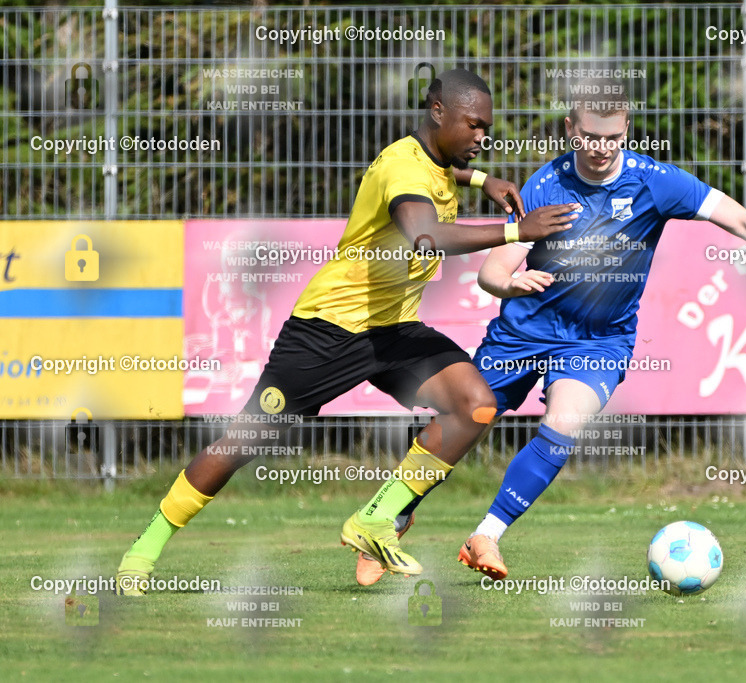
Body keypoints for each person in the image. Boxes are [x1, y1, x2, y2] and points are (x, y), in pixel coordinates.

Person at [115, 68, 580, 594]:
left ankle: (375, 519)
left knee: (475, 404)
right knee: (243, 441)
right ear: (437, 113)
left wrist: (480, 180)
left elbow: (436, 177)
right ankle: (142, 552)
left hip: (391, 331)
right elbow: (425, 235)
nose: (483, 137)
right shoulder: (401, 168)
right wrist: (521, 229)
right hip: (326, 333)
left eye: (487, 129)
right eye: (474, 125)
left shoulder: (429, 162)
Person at [452, 79, 746, 579]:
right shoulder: (544, 184)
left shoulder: (654, 182)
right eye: (591, 136)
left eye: (613, 137)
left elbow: (744, 223)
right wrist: (511, 284)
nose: (601, 148)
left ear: (627, 130)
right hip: (524, 331)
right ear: (570, 128)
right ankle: (390, 517)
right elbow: (492, 272)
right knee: (458, 426)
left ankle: (486, 535)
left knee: (566, 422)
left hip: (598, 341)